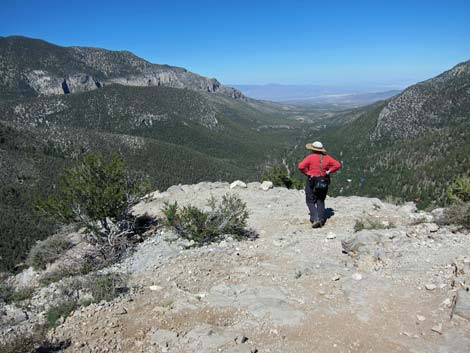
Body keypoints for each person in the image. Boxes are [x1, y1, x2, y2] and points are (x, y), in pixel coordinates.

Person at [298, 141, 341, 228]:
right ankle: (321, 219)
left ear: (313, 149)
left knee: (310, 200)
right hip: (323, 181)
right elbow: (337, 165)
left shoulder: (310, 157)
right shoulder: (327, 157)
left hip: (312, 180)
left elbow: (300, 166)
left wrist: (308, 173)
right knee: (320, 200)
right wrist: (328, 172)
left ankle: (315, 218)